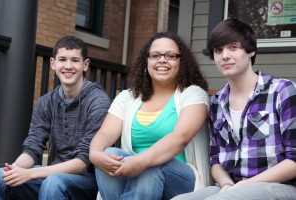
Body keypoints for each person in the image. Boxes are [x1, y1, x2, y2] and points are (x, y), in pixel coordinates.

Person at [172, 18, 296, 200]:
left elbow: (294, 160)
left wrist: (244, 186)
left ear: (251, 50)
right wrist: (227, 183)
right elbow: (215, 160)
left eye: (233, 48)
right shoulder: (216, 102)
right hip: (233, 186)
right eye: (218, 50)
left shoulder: (282, 91)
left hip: (280, 186)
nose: (225, 56)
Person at [89, 32, 212, 200]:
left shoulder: (192, 94)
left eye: (170, 55)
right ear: (146, 62)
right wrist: (95, 153)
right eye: (155, 55)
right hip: (136, 178)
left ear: (181, 62)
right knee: (109, 154)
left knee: (152, 164)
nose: (162, 60)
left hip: (181, 182)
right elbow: (105, 133)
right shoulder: (128, 97)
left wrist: (141, 161)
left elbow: (180, 137)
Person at [0, 36, 111, 200]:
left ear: (85, 65)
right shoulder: (46, 102)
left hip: (89, 181)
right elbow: (33, 147)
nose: (68, 66)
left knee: (53, 182)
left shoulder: (98, 101)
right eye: (62, 59)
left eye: (75, 60)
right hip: (53, 176)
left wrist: (30, 173)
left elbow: (82, 163)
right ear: (53, 63)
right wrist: (14, 170)